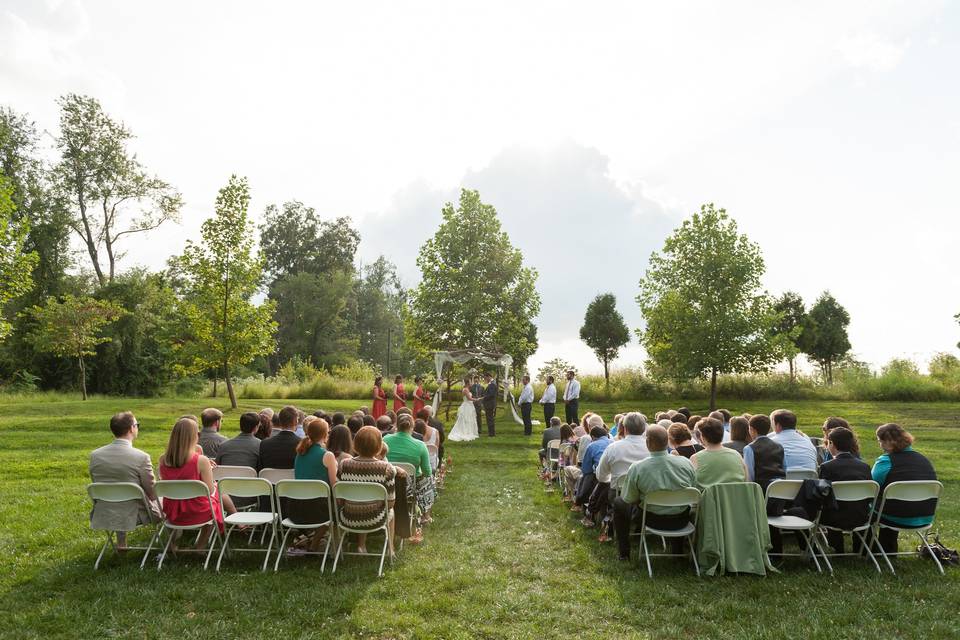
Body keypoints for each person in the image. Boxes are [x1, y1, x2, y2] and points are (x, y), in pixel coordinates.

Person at [612, 425, 697, 561]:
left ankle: (624, 553)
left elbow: (629, 498)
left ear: (648, 443)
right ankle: (677, 550)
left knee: (618, 502)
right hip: (681, 519)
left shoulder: (638, 467)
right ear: (667, 441)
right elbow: (693, 490)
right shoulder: (686, 463)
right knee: (677, 503)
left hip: (651, 520)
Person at [159, 417, 235, 550]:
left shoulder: (162, 459)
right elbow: (209, 490)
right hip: (197, 511)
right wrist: (208, 472)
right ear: (194, 436)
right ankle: (201, 545)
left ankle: (173, 545)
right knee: (216, 498)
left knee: (212, 498)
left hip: (173, 512)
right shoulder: (201, 461)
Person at [88, 411, 162, 549]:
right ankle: (172, 544)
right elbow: (152, 493)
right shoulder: (141, 457)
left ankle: (121, 543)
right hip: (135, 514)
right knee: (167, 500)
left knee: (118, 496)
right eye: (137, 424)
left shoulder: (95, 455)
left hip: (105, 511)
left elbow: (99, 486)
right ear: (131, 429)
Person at [871, 423, 938, 554]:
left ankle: (868, 550)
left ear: (888, 442)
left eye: (880, 441)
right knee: (892, 502)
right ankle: (888, 550)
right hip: (925, 516)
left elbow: (872, 487)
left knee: (868, 506)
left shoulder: (885, 461)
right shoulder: (924, 459)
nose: (880, 445)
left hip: (895, 516)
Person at [337, 426, 397, 556]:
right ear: (379, 446)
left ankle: (361, 545)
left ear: (355, 444)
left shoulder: (344, 464)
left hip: (348, 517)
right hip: (375, 518)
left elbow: (339, 499)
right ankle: (390, 549)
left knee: (361, 503)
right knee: (391, 512)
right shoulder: (387, 468)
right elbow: (390, 503)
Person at [818, 426, 872, 554]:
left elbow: (822, 494)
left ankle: (838, 549)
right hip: (861, 516)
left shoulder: (827, 467)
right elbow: (870, 495)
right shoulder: (864, 466)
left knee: (830, 504)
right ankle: (861, 549)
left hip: (834, 518)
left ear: (832, 444)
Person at [290, 418, 338, 550]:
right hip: (317, 510)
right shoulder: (327, 455)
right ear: (325, 435)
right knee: (336, 508)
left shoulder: (300, 452)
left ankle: (309, 539)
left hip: (296, 507)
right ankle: (315, 544)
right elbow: (335, 485)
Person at [385, 414, 435, 528]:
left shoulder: (385, 439)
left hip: (388, 484)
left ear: (396, 426)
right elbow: (427, 472)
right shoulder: (420, 445)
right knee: (428, 479)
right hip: (409, 487)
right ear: (412, 427)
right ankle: (425, 516)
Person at [595, 412, 650, 491]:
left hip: (619, 494)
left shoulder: (613, 448)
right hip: (644, 494)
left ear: (625, 429)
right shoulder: (652, 448)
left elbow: (601, 476)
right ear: (644, 428)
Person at [690, 417, 748, 489]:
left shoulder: (695, 458)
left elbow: (691, 485)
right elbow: (746, 481)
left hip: (709, 499)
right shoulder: (736, 455)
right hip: (735, 499)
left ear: (703, 437)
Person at [742, 414, 785, 491]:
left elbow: (749, 476)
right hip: (780, 488)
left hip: (761, 490)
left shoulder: (749, 448)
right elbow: (785, 468)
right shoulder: (779, 446)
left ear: (752, 430)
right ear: (768, 430)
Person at [260, 405, 301, 469]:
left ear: (280, 421)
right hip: (292, 478)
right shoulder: (302, 444)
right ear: (295, 421)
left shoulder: (264, 444)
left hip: (270, 478)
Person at [448, 376, 480, 441]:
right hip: (467, 406)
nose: (471, 383)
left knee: (469, 418)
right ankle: (465, 432)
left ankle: (468, 431)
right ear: (468, 383)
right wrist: (477, 399)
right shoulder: (465, 389)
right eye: (470, 381)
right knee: (466, 419)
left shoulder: (467, 389)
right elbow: (469, 398)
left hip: (469, 405)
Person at [478, 372, 498, 437]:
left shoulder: (492, 384)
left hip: (490, 404)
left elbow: (491, 395)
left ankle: (492, 434)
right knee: (489, 418)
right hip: (489, 404)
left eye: (485, 378)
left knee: (490, 419)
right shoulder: (491, 384)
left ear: (489, 377)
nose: (485, 379)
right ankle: (491, 433)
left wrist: (483, 397)